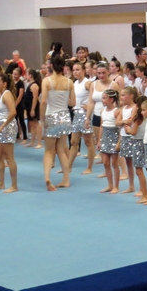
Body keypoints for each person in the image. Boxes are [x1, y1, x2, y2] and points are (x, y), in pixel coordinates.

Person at [41, 54, 75, 191]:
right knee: (61, 149)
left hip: (51, 115)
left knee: (49, 151)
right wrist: (63, 99)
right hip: (64, 116)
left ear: (51, 66)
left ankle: (47, 177)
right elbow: (73, 103)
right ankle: (66, 179)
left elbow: (43, 101)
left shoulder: (47, 81)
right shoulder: (69, 82)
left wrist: (41, 118)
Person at [0, 73, 19, 192]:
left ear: (4, 84)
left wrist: (3, 126)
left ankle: (14, 185)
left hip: (8, 127)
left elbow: (13, 112)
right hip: (2, 126)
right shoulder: (1, 94)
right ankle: (1, 182)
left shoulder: (7, 94)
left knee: (9, 156)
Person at [68, 61, 94, 175]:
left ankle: (89, 167)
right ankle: (68, 167)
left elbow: (95, 96)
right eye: (73, 70)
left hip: (85, 114)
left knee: (88, 142)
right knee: (74, 142)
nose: (75, 72)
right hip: (76, 113)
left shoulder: (87, 83)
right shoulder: (75, 83)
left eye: (77, 70)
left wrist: (90, 107)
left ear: (84, 71)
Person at [117, 86, 141, 195]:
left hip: (133, 138)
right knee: (128, 162)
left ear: (131, 96)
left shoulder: (135, 107)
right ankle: (131, 186)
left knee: (137, 163)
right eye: (121, 95)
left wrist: (124, 122)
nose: (121, 97)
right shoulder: (123, 108)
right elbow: (117, 122)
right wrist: (123, 121)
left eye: (123, 95)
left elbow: (131, 121)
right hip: (124, 136)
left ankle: (142, 187)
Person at [98, 89, 121, 194]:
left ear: (111, 99)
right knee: (105, 163)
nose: (102, 100)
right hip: (105, 138)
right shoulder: (102, 111)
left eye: (104, 98)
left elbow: (120, 129)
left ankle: (116, 186)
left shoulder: (117, 111)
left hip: (114, 137)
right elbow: (101, 127)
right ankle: (109, 185)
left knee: (114, 163)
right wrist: (99, 140)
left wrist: (118, 142)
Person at [23, 68, 42, 148]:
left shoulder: (34, 85)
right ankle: (32, 141)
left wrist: (33, 109)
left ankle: (39, 143)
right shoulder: (30, 84)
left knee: (36, 124)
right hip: (29, 107)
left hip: (33, 107)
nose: (25, 76)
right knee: (32, 125)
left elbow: (35, 98)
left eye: (26, 74)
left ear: (30, 75)